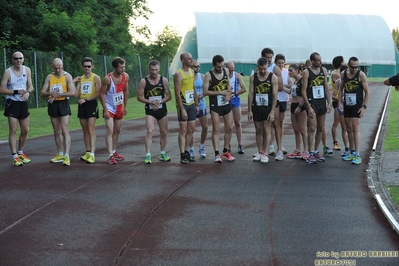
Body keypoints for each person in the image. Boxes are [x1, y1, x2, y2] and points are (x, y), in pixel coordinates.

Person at [0, 51, 33, 166]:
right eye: (16, 59)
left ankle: (20, 152)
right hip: (12, 103)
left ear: (23, 59)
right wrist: (16, 91)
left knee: (25, 130)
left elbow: (31, 86)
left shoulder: (27, 70)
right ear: (12, 60)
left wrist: (28, 92)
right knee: (13, 130)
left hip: (23, 103)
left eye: (20, 58)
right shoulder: (7, 72)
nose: (18, 60)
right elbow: (2, 90)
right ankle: (14, 155)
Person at [41, 58, 76, 166]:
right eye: (56, 68)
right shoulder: (49, 77)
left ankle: (67, 155)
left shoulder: (67, 76)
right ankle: (60, 153)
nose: (58, 70)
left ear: (62, 65)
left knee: (65, 129)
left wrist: (58, 94)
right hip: (53, 105)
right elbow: (42, 93)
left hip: (63, 103)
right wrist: (50, 93)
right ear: (52, 66)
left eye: (60, 68)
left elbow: (72, 92)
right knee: (56, 130)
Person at [137, 60, 172, 164]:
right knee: (150, 131)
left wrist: (159, 101)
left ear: (159, 69)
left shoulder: (164, 80)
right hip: (150, 110)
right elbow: (139, 97)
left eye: (156, 70)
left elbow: (169, 96)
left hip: (162, 109)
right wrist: (150, 102)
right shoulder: (144, 81)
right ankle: (148, 155)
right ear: (149, 69)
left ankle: (162, 152)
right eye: (152, 70)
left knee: (164, 132)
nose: (154, 72)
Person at [203, 54, 235, 163]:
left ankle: (226, 151)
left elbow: (229, 85)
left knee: (230, 127)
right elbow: (205, 92)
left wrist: (228, 94)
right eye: (218, 67)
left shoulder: (225, 70)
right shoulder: (208, 75)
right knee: (216, 129)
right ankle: (217, 154)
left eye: (221, 66)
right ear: (213, 65)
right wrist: (220, 92)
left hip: (226, 104)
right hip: (215, 105)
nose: (220, 69)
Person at [301, 52, 332, 164]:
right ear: (313, 61)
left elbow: (326, 88)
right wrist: (308, 107)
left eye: (321, 59)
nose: (320, 62)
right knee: (312, 128)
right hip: (311, 102)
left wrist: (329, 103)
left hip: (321, 102)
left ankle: (316, 150)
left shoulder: (323, 71)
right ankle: (309, 152)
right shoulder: (306, 72)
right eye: (318, 60)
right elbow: (303, 90)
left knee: (320, 127)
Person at [338, 56, 370, 165]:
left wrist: (364, 107)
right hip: (347, 104)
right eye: (352, 67)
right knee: (348, 128)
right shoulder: (343, 74)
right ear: (348, 65)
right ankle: (351, 151)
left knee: (356, 127)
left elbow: (367, 92)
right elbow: (340, 89)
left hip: (357, 105)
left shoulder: (361, 75)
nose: (355, 69)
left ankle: (357, 153)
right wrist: (339, 103)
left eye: (357, 67)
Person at [99, 57, 129, 165]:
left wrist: (125, 106)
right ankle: (110, 155)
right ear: (115, 67)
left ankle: (114, 150)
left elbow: (125, 91)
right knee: (110, 130)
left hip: (119, 106)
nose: (123, 69)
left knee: (117, 130)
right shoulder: (107, 78)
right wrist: (105, 109)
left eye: (124, 66)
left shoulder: (125, 76)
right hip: (109, 107)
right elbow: (101, 93)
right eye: (121, 67)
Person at [248, 57, 278, 163]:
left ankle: (266, 153)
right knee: (258, 129)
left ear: (267, 67)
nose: (262, 71)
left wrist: (272, 111)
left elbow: (275, 95)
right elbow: (251, 94)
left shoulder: (273, 77)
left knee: (267, 129)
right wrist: (249, 110)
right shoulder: (253, 77)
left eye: (264, 69)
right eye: (260, 69)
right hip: (257, 106)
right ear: (257, 67)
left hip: (268, 107)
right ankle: (260, 151)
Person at [74, 57, 101, 164]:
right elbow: (76, 94)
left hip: (91, 103)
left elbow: (98, 93)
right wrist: (75, 83)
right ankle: (88, 151)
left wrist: (86, 99)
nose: (87, 68)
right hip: (82, 104)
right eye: (85, 66)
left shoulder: (96, 78)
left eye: (89, 66)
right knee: (84, 130)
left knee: (91, 129)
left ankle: (93, 154)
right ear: (82, 67)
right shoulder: (81, 78)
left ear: (92, 66)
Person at [174, 52, 199, 164]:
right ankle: (182, 153)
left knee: (192, 129)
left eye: (191, 58)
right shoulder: (178, 74)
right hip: (183, 105)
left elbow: (193, 88)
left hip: (191, 103)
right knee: (183, 129)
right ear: (183, 60)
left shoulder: (192, 71)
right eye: (189, 59)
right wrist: (182, 109)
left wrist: (197, 103)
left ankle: (187, 150)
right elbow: (177, 93)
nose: (191, 60)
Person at [260, 48, 284, 160]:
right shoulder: (259, 68)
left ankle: (279, 150)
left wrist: (267, 89)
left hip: (274, 101)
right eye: (267, 57)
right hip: (261, 102)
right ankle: (267, 148)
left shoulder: (275, 69)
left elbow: (280, 86)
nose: (269, 60)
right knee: (263, 127)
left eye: (271, 57)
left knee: (276, 124)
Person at [286, 64, 309, 161]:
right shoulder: (294, 81)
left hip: (301, 106)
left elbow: (305, 94)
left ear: (297, 70)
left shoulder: (302, 80)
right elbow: (290, 91)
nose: (289, 72)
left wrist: (300, 106)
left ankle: (306, 150)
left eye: (291, 70)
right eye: (288, 70)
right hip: (293, 105)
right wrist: (280, 87)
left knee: (303, 130)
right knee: (296, 130)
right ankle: (298, 150)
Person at [226, 61, 247, 154]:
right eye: (229, 70)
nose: (231, 72)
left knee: (238, 122)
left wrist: (235, 93)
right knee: (228, 125)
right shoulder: (222, 76)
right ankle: (227, 144)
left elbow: (244, 88)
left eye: (232, 70)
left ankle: (240, 144)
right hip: (226, 102)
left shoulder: (237, 75)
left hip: (235, 101)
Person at [330, 56, 349, 153]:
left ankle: (347, 145)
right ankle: (335, 142)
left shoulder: (339, 72)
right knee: (337, 123)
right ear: (341, 63)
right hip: (338, 100)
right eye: (344, 61)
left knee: (344, 125)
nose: (345, 62)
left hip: (344, 100)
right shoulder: (337, 74)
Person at [189, 60, 208, 158]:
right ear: (191, 67)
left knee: (205, 127)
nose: (197, 68)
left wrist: (202, 95)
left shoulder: (202, 76)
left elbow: (206, 90)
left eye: (199, 66)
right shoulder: (188, 77)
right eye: (195, 66)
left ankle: (201, 146)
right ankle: (191, 148)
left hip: (201, 105)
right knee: (191, 129)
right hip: (191, 105)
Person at [274, 54, 292, 155]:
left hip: (283, 99)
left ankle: (280, 145)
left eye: (282, 63)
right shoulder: (273, 71)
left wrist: (282, 86)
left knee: (281, 122)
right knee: (274, 123)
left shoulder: (286, 72)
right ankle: (272, 145)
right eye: (279, 63)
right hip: (275, 99)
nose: (281, 65)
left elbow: (290, 84)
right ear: (275, 63)